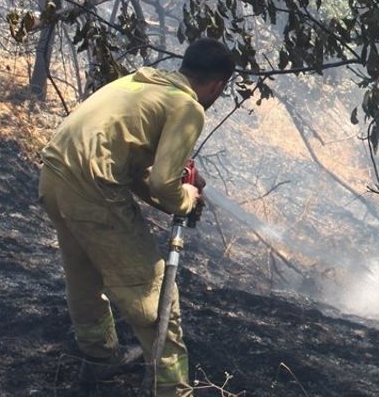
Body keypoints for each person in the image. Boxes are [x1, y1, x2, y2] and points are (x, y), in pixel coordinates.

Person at [38, 38, 235, 396]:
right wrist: (185, 199)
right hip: (92, 189)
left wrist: (173, 194)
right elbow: (162, 183)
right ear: (218, 85)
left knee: (84, 275)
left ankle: (98, 360)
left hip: (54, 176)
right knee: (156, 292)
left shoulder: (139, 82)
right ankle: (172, 388)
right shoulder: (188, 107)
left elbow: (135, 172)